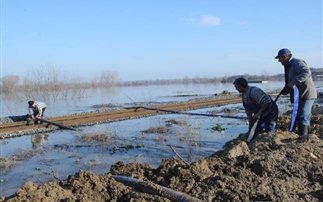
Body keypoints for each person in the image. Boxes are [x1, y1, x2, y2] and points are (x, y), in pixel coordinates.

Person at [275, 48, 317, 141]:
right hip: (300, 96)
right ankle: (305, 136)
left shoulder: (297, 62)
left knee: (303, 115)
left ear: (285, 57)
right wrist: (287, 88)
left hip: (307, 94)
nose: (279, 61)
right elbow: (291, 81)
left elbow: (306, 72)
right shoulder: (288, 66)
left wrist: (293, 83)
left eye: (280, 59)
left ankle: (303, 139)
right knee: (301, 115)